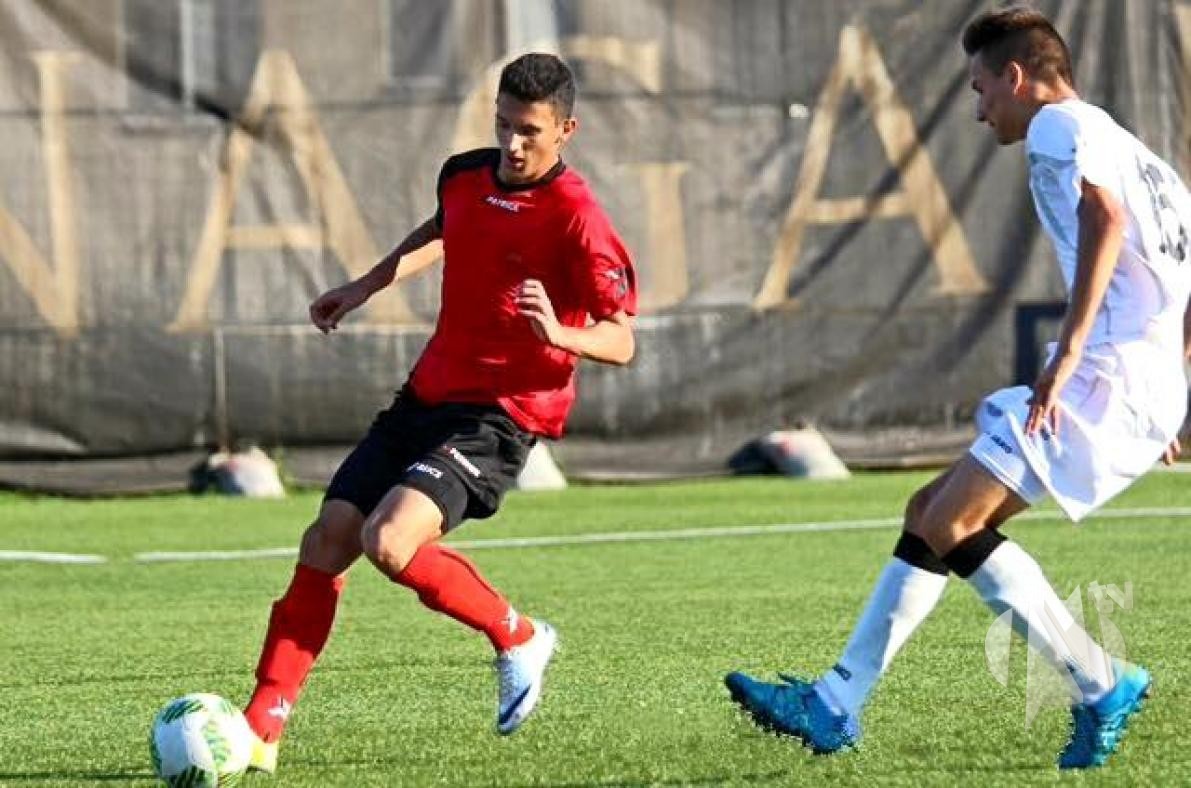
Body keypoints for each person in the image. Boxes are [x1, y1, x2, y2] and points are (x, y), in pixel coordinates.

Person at [725, 6, 1190, 770]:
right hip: (1138, 379)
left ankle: (1100, 682)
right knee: (929, 512)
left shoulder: (1056, 125)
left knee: (951, 520)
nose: (978, 110)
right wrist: (1168, 382)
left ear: (1017, 76)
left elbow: (1102, 218)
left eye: (980, 89)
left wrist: (1074, 352)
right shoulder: (1141, 156)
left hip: (1102, 376)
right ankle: (835, 702)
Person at [240, 53, 637, 775]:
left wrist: (560, 334)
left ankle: (518, 636)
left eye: (530, 131)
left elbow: (622, 338)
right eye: (503, 124)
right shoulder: (464, 174)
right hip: (426, 395)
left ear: (565, 130)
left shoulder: (577, 216)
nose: (512, 144)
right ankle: (260, 728)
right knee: (328, 538)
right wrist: (363, 287)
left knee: (389, 541)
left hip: (500, 416)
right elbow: (443, 229)